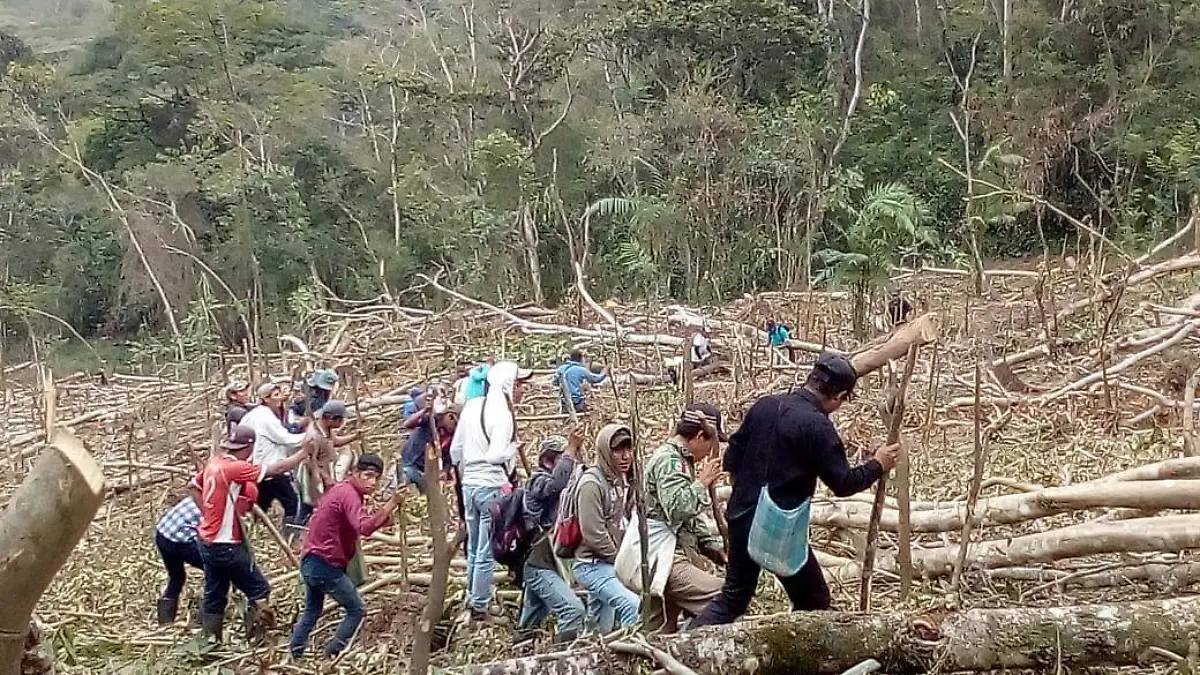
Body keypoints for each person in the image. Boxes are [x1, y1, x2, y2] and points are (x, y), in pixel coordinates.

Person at [691, 353, 899, 627]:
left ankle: (685, 645)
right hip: (780, 530)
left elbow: (732, 460)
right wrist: (878, 464)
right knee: (814, 602)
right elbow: (843, 483)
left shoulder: (765, 406)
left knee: (733, 598)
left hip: (741, 516)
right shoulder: (816, 426)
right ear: (839, 396)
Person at [196, 424, 313, 642]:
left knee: (215, 592)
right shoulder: (235, 468)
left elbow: (194, 485)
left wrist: (207, 512)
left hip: (207, 541)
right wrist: (302, 454)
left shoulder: (214, 463)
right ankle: (258, 638)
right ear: (249, 447)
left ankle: (208, 643)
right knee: (259, 589)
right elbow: (275, 470)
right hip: (225, 544)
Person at [289, 454, 403, 659]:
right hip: (325, 563)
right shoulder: (348, 494)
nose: (373, 482)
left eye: (377, 478)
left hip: (311, 559)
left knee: (312, 610)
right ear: (355, 473)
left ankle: (295, 654)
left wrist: (384, 516)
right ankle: (332, 653)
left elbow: (355, 523)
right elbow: (364, 527)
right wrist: (390, 505)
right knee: (356, 610)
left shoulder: (343, 491)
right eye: (368, 476)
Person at [449, 361, 533, 621]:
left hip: (469, 485)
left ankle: (473, 596)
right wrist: (513, 447)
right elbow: (496, 455)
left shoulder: (472, 407)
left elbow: (455, 451)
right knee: (486, 549)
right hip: (490, 486)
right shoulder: (503, 415)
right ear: (508, 384)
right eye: (519, 385)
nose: (521, 391)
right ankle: (480, 606)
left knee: (474, 546)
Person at [642, 404, 729, 632]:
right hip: (665, 558)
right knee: (725, 597)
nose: (711, 450)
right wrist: (702, 483)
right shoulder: (670, 462)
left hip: (669, 554)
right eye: (711, 442)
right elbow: (677, 509)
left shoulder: (680, 460)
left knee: (659, 630)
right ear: (700, 436)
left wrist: (711, 546)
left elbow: (689, 520)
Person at [515, 431, 587, 643]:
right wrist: (571, 450)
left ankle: (521, 653)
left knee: (532, 617)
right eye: (561, 458)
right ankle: (561, 660)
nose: (569, 464)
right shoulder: (538, 482)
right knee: (573, 610)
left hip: (550, 562)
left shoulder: (563, 488)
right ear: (548, 460)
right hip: (538, 564)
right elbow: (557, 484)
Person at [573, 423, 640, 632]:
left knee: (599, 626)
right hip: (592, 564)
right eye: (618, 450)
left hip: (609, 563)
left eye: (629, 449)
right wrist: (621, 563)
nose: (625, 456)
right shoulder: (591, 485)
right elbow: (594, 534)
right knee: (632, 604)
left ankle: (588, 655)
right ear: (605, 451)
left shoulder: (621, 480)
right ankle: (630, 658)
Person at [241, 382, 308, 530]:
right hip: (273, 468)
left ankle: (255, 532)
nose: (281, 398)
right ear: (266, 398)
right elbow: (286, 439)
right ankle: (291, 534)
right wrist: (309, 438)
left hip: (259, 469)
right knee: (292, 504)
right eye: (276, 395)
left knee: (261, 505)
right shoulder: (266, 418)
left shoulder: (254, 415)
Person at [296, 400, 361, 526]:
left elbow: (335, 441)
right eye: (340, 420)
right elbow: (309, 460)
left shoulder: (327, 430)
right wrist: (324, 478)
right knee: (308, 507)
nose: (342, 423)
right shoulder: (313, 437)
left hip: (323, 472)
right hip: (311, 477)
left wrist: (354, 437)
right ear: (331, 419)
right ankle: (298, 531)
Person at [154, 483, 204, 625]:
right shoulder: (219, 504)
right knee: (216, 572)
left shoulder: (201, 492)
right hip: (178, 539)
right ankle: (205, 620)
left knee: (177, 576)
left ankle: (165, 623)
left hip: (162, 533)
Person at [400, 399, 461, 490]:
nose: (455, 429)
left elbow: (449, 457)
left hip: (429, 471)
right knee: (402, 484)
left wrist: (445, 470)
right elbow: (408, 424)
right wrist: (424, 410)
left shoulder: (453, 437)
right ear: (450, 417)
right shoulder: (431, 420)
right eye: (455, 424)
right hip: (411, 461)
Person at [552, 349, 608, 414]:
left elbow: (554, 382)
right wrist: (604, 374)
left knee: (566, 417)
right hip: (576, 400)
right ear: (581, 358)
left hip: (564, 400)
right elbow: (595, 379)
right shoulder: (581, 370)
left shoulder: (561, 368)